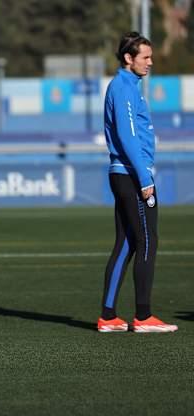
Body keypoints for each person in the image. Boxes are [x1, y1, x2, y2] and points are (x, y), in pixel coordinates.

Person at [97, 32, 178, 333]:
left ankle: (108, 316)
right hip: (132, 174)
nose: (150, 62)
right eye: (145, 57)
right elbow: (128, 136)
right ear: (128, 58)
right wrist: (145, 179)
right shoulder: (123, 88)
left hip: (125, 173)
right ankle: (143, 317)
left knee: (127, 242)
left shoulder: (128, 87)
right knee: (147, 240)